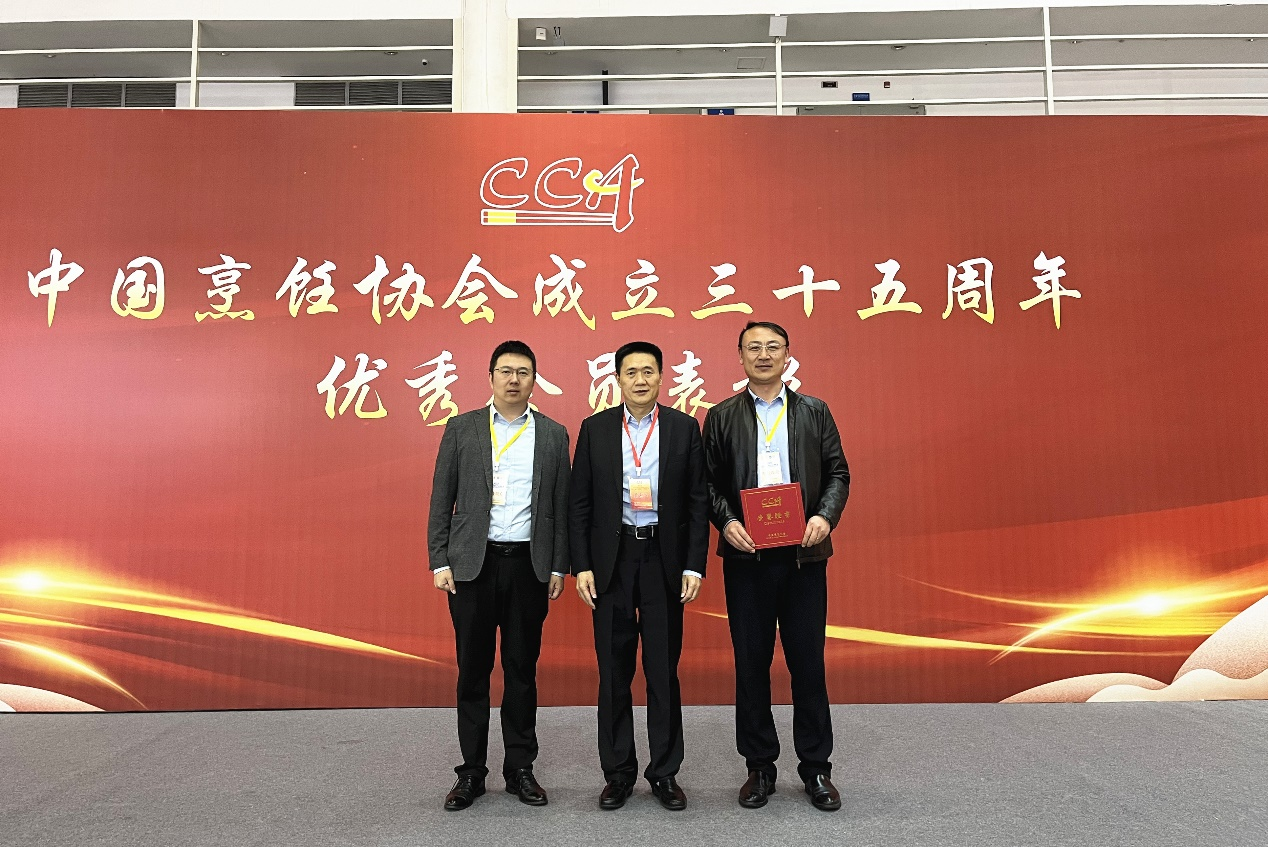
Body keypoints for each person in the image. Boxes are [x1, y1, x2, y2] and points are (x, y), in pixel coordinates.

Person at [701, 320, 850, 812]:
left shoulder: (814, 411)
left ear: (788, 355)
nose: (763, 355)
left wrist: (824, 516)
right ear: (740, 357)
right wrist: (726, 522)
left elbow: (838, 473)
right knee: (751, 664)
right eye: (753, 347)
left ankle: (816, 768)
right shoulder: (721, 416)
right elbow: (708, 483)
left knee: (808, 664)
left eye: (772, 347)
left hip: (804, 555)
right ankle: (759, 767)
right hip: (747, 556)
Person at [427, 340, 570, 811]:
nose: (514, 379)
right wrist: (440, 560)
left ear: (534, 380)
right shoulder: (462, 428)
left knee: (521, 670)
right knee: (473, 671)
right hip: (473, 565)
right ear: (490, 377)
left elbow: (560, 507)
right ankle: (471, 772)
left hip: (528, 565)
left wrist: (558, 565)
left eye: (523, 372)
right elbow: (441, 496)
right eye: (505, 371)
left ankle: (520, 769)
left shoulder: (553, 434)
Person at [569, 340, 709, 811]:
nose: (641, 380)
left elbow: (697, 503)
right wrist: (582, 565)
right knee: (614, 671)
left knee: (662, 670)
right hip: (612, 559)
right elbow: (580, 503)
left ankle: (665, 773)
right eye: (631, 372)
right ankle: (618, 773)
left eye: (648, 371)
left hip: (663, 560)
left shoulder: (684, 428)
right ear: (618, 379)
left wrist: (694, 564)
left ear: (661, 377)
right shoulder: (595, 429)